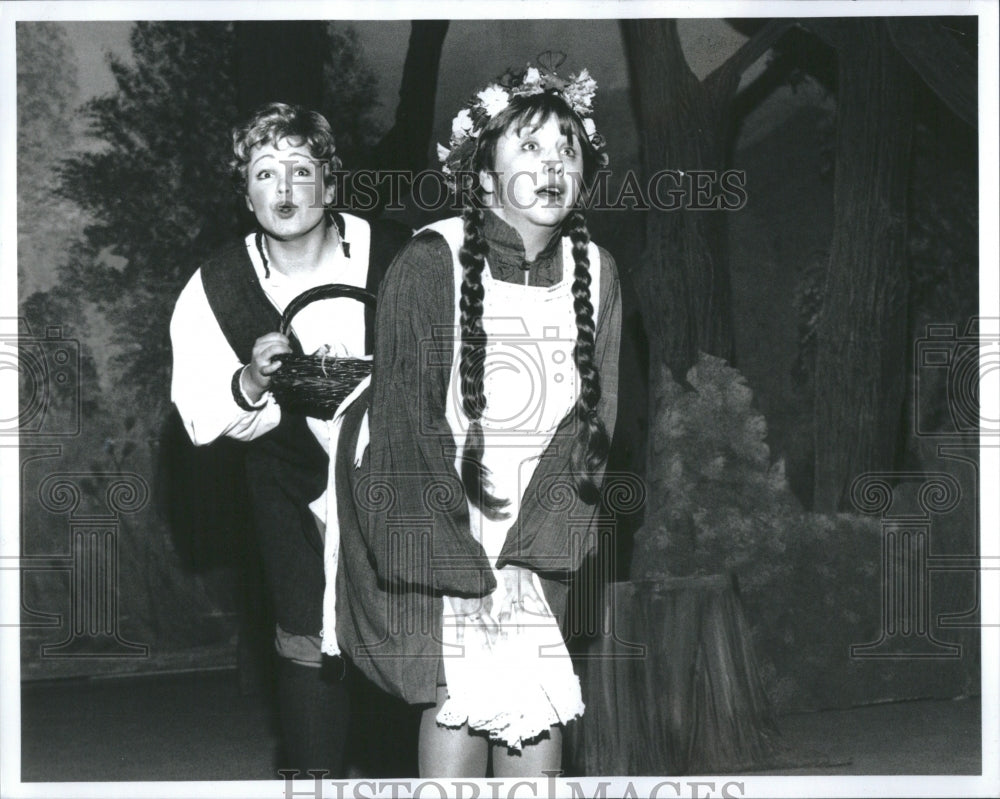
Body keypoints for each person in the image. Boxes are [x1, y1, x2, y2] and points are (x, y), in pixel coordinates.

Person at [329, 64, 622, 778]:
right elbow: (405, 430)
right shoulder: (429, 263)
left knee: (532, 686)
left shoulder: (601, 271)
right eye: (530, 147)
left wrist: (528, 559)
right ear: (485, 177)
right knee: (458, 685)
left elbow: (591, 428)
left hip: (536, 518)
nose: (554, 163)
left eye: (568, 149)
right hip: (432, 508)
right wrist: (467, 576)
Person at [169, 101, 411, 776]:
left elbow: (454, 362)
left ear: (329, 185)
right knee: (308, 634)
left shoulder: (397, 253)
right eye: (265, 172)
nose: (284, 188)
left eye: (301, 170)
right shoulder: (216, 283)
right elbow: (198, 415)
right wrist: (248, 379)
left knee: (408, 636)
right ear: (243, 190)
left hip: (397, 479)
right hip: (289, 481)